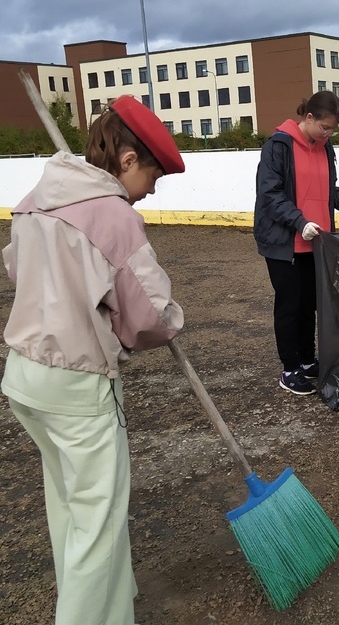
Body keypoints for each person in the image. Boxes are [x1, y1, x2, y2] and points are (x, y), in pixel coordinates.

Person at [1, 95, 185, 625]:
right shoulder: (113, 215)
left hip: (26, 378)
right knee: (98, 524)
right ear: (128, 160)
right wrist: (173, 319)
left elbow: (19, 271)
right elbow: (149, 315)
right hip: (78, 385)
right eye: (153, 176)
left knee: (69, 507)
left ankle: (112, 603)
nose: (152, 190)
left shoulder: (36, 198)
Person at [253, 90, 339, 396]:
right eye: (325, 128)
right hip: (285, 241)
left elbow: (329, 188)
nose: (328, 134)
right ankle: (289, 368)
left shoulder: (324, 148)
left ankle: (306, 360)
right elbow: (270, 194)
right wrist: (299, 222)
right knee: (290, 304)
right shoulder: (279, 146)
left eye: (332, 130)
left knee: (310, 305)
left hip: (316, 242)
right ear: (309, 118)